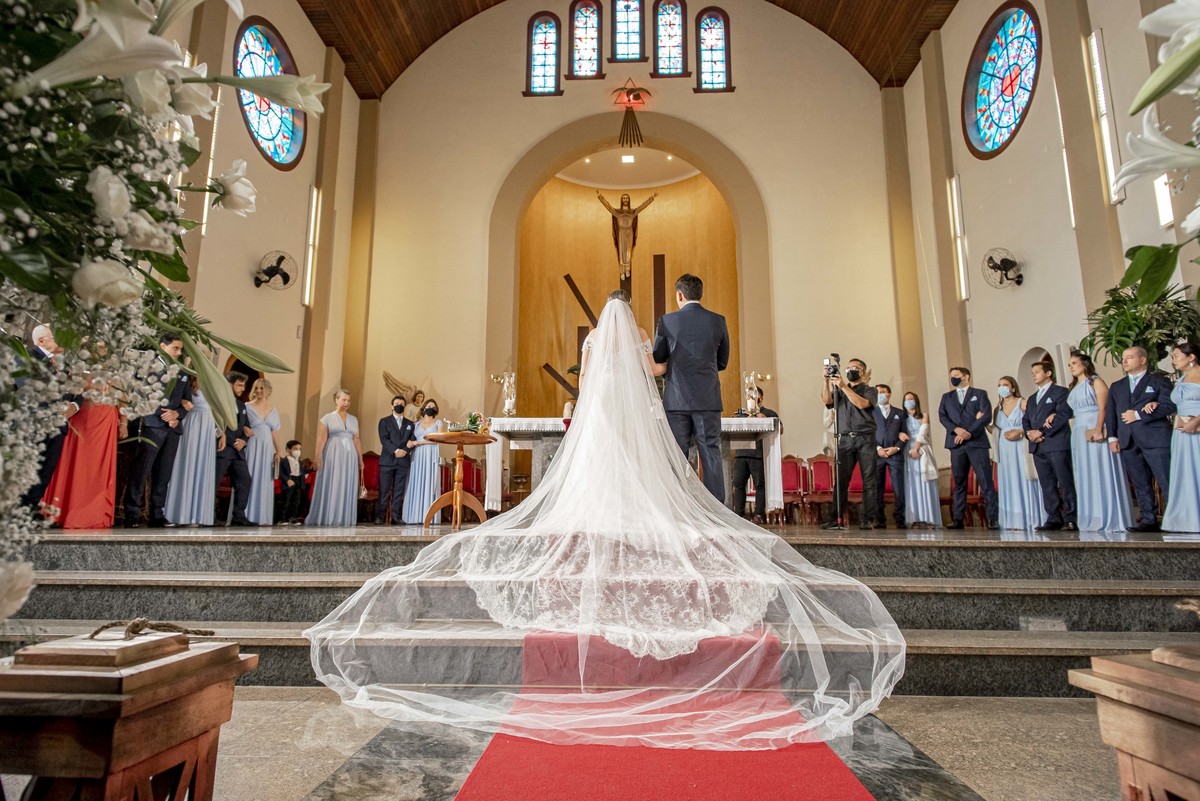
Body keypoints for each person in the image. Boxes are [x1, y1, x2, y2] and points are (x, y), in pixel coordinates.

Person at [306, 293, 905, 750]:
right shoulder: (646, 345)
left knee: (592, 472)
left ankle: (595, 514)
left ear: (602, 326)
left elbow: (591, 384)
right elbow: (651, 377)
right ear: (635, 326)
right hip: (637, 415)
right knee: (645, 473)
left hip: (595, 425)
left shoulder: (594, 347)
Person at [652, 274, 731, 502]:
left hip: (677, 399)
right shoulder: (718, 320)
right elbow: (722, 361)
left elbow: (659, 356)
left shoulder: (667, 321)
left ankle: (677, 507)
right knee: (711, 454)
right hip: (708, 398)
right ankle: (717, 509)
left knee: (677, 455)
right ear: (700, 293)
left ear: (679, 294)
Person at [41, 362, 124, 529]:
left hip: (105, 420)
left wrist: (124, 423)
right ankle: (64, 512)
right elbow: (72, 389)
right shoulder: (77, 364)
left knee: (97, 468)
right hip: (81, 418)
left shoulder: (119, 369)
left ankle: (94, 513)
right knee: (74, 465)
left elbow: (124, 399)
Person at [1106, 346, 1177, 532]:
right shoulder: (1117, 386)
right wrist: (1112, 437)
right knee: (1140, 482)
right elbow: (1111, 414)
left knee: (1166, 479)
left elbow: (1169, 406)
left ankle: (1175, 520)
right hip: (1127, 440)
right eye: (1123, 358)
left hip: (1155, 438)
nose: (1124, 361)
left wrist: (1138, 415)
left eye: (1129, 357)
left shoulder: (1159, 381)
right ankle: (1148, 519)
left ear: (1143, 360)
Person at [123, 333, 191, 527]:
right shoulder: (147, 367)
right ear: (162, 346)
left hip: (173, 428)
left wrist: (177, 414)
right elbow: (139, 395)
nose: (178, 352)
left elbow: (187, 402)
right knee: (141, 471)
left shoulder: (182, 371)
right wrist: (166, 414)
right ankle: (132, 514)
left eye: (180, 349)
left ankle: (157, 514)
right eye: (175, 348)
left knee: (164, 474)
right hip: (152, 425)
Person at [1067, 351, 1131, 532]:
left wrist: (1098, 429)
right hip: (1079, 430)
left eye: (1074, 363)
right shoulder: (1073, 387)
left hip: (1094, 426)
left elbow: (1104, 407)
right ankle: (1091, 517)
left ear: (1085, 364)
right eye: (1069, 364)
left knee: (1099, 469)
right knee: (1084, 472)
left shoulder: (1095, 381)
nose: (1071, 366)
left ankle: (1110, 516)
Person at [24, 324, 80, 508]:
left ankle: (31, 508)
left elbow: (77, 388)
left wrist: (74, 405)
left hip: (60, 425)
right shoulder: (27, 358)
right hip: (38, 423)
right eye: (56, 336)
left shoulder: (64, 362)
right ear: (42, 341)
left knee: (46, 470)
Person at [938, 367, 998, 529]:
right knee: (959, 482)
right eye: (952, 377)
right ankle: (958, 519)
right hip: (956, 444)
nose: (953, 379)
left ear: (966, 376)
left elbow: (985, 416)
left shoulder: (979, 394)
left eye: (956, 376)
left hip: (976, 442)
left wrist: (968, 432)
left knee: (985, 481)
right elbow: (942, 416)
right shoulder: (947, 397)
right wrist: (957, 430)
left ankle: (992, 518)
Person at [821, 358, 878, 530]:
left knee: (869, 480)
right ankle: (835, 518)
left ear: (863, 372)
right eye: (847, 368)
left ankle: (868, 519)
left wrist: (844, 386)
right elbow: (827, 401)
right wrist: (825, 380)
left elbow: (862, 404)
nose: (850, 371)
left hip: (865, 438)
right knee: (841, 481)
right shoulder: (839, 391)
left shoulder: (870, 390)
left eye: (854, 368)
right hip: (845, 438)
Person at [1022, 363, 1075, 532]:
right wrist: (1029, 433)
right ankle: (1053, 517)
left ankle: (1070, 518)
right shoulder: (1031, 398)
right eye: (1032, 373)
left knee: (1065, 482)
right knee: (1047, 484)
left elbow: (1063, 414)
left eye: (1037, 372)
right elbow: (1026, 419)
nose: (1033, 375)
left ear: (1048, 373)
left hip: (1056, 443)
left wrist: (1042, 431)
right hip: (1038, 446)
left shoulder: (1061, 392)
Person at [991, 375, 1044, 531]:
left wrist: (1020, 432)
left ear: (1013, 387)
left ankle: (1031, 518)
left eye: (1005, 384)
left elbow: (1033, 422)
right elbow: (995, 430)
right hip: (1004, 447)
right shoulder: (997, 409)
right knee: (1009, 481)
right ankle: (1014, 521)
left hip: (1020, 444)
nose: (1002, 387)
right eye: (999, 385)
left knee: (1024, 477)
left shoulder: (1023, 403)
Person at [164, 378, 217, 526]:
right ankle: (182, 513)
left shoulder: (213, 383)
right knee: (188, 463)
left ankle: (198, 515)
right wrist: (183, 403)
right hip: (193, 422)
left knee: (202, 466)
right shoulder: (188, 383)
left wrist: (222, 432)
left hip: (208, 425)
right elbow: (180, 400)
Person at [307, 389, 363, 527]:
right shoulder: (327, 418)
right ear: (336, 400)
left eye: (348, 400)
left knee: (346, 482)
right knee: (333, 481)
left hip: (350, 457)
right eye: (343, 399)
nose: (346, 403)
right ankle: (329, 516)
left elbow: (356, 439)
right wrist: (317, 457)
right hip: (333, 453)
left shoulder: (353, 419)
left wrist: (360, 459)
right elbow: (321, 439)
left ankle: (344, 518)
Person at [1162, 342, 1200, 532]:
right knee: (1185, 471)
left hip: (1197, 427)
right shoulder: (1181, 379)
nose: (1173, 360)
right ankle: (1187, 518)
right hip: (1182, 431)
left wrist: (1196, 421)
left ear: (1191, 357)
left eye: (1176, 356)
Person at [731, 386, 778, 524]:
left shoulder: (769, 412)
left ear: (761, 398)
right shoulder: (742, 413)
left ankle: (759, 514)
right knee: (738, 484)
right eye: (749, 395)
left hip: (757, 453)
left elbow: (780, 429)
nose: (751, 397)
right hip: (741, 453)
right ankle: (738, 514)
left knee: (759, 485)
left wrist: (764, 420)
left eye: (754, 395)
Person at [215, 372, 254, 526]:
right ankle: (209, 515)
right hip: (223, 450)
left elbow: (248, 428)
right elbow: (218, 425)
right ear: (229, 384)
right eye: (239, 385)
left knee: (245, 480)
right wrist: (233, 442)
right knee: (215, 482)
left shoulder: (241, 405)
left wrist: (243, 442)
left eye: (244, 385)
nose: (243, 389)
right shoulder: (219, 402)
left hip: (238, 452)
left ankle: (238, 515)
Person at [245, 378, 284, 526]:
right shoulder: (247, 407)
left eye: (262, 388)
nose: (259, 391)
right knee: (249, 475)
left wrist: (278, 451)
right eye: (256, 388)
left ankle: (262, 516)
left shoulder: (273, 409)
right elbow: (240, 424)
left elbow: (274, 432)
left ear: (268, 390)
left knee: (264, 478)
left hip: (267, 447)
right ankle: (246, 514)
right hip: (252, 444)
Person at [402, 397, 445, 525]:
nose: (430, 408)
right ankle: (414, 515)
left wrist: (418, 442)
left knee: (429, 482)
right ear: (423, 408)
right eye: (428, 406)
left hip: (431, 453)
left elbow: (439, 439)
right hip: (418, 455)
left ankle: (429, 516)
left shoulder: (438, 423)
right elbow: (409, 440)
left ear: (436, 410)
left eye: (432, 407)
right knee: (416, 481)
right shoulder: (415, 424)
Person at [597, 190, 658, 279]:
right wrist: (600, 197)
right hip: (621, 232)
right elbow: (608, 206)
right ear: (621, 200)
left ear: (629, 200)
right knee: (621, 251)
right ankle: (622, 271)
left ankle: (627, 269)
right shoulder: (617, 212)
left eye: (627, 198)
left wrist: (652, 198)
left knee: (628, 251)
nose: (625, 199)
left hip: (629, 232)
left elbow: (642, 206)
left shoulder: (632, 212)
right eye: (624, 198)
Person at [902, 392, 940, 528]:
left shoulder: (924, 415)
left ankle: (929, 518)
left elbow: (923, 432)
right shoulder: (902, 417)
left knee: (925, 483)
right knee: (911, 485)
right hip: (907, 451)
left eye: (911, 399)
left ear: (916, 401)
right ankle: (915, 519)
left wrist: (916, 448)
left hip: (921, 450)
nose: (909, 401)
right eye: (906, 399)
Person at [377, 394, 417, 525]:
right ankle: (380, 516)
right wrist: (396, 451)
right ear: (392, 406)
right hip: (388, 460)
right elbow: (384, 439)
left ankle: (396, 516)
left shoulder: (410, 423)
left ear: (404, 406)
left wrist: (405, 451)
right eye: (397, 403)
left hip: (403, 461)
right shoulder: (384, 421)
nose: (399, 406)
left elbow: (413, 440)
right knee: (384, 490)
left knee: (399, 490)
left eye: (401, 404)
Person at [873, 383, 907, 529]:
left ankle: (900, 519)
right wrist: (878, 448)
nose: (880, 394)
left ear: (889, 394)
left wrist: (897, 447)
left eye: (883, 392)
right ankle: (880, 520)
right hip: (877, 455)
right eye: (878, 392)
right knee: (877, 488)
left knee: (898, 488)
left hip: (895, 455)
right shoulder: (871, 412)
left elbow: (905, 435)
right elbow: (868, 434)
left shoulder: (900, 413)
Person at [279, 439, 309, 524]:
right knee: (286, 501)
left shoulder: (299, 461)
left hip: (298, 481)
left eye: (299, 449)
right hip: (289, 481)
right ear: (288, 449)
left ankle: (293, 518)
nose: (298, 451)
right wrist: (287, 479)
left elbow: (302, 471)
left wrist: (311, 469)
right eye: (295, 449)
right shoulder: (284, 461)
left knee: (296, 502)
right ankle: (283, 519)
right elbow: (280, 472)